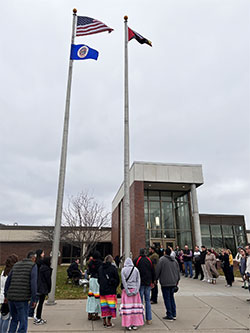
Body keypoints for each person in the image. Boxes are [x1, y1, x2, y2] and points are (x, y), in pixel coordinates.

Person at [4, 251, 38, 333]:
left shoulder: (16, 265)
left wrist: (6, 295)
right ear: (34, 258)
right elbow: (33, 284)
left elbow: (8, 281)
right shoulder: (33, 266)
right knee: (23, 321)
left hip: (11, 296)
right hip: (22, 298)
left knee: (14, 319)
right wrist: (34, 299)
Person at [156, 247, 180, 321]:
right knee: (171, 298)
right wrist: (177, 280)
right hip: (173, 282)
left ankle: (169, 315)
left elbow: (158, 270)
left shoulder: (162, 260)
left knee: (167, 299)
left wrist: (155, 279)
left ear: (165, 252)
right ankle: (174, 313)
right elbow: (178, 271)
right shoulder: (175, 260)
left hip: (165, 282)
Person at [120, 258, 144, 331]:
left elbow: (123, 281)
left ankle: (128, 324)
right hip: (135, 291)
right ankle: (135, 324)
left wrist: (127, 290)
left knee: (127, 309)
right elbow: (138, 280)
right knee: (135, 308)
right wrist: (137, 290)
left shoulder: (123, 270)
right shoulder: (136, 270)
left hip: (126, 291)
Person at [134, 248, 155, 325]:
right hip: (148, 282)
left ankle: (141, 318)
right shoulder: (149, 260)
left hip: (140, 283)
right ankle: (149, 319)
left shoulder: (136, 260)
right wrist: (153, 281)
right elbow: (153, 271)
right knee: (147, 301)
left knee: (140, 301)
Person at [98, 255, 119, 328]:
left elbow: (98, 280)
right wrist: (114, 286)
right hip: (111, 290)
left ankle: (104, 321)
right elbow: (117, 279)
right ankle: (109, 322)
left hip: (102, 290)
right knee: (110, 307)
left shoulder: (100, 268)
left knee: (104, 307)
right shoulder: (113, 268)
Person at [0, 254, 18, 333]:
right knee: (7, 318)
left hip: (2, 295)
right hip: (8, 296)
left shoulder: (4, 272)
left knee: (3, 316)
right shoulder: (13, 272)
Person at [34, 257, 52, 325]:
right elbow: (48, 280)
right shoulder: (47, 269)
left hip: (39, 287)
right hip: (43, 288)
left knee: (37, 302)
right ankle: (38, 318)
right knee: (40, 304)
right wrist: (49, 288)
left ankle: (36, 316)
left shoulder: (40, 268)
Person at [28, 248, 45, 319]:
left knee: (34, 298)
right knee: (35, 299)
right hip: (38, 282)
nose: (44, 254)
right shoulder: (39, 263)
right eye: (43, 253)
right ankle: (30, 312)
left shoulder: (35, 263)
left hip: (36, 281)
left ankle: (30, 312)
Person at [86, 251, 102, 321]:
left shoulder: (90, 263)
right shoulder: (100, 263)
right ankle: (96, 314)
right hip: (98, 280)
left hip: (92, 279)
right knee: (97, 297)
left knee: (90, 297)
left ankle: (89, 313)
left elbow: (88, 271)